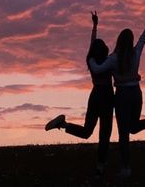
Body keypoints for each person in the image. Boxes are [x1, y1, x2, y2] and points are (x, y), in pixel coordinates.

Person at [89, 6, 145, 178]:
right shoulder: (135, 53)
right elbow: (144, 37)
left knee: (124, 135)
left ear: (118, 40)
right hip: (137, 93)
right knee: (132, 127)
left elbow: (97, 68)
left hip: (123, 96)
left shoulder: (113, 59)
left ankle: (126, 169)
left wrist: (91, 60)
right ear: (130, 41)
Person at [45, 11, 114, 175]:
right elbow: (94, 46)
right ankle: (100, 165)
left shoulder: (90, 61)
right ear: (105, 49)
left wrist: (95, 26)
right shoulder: (109, 60)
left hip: (95, 95)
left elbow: (91, 47)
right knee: (105, 134)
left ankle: (62, 124)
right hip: (106, 96)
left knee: (87, 131)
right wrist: (95, 26)